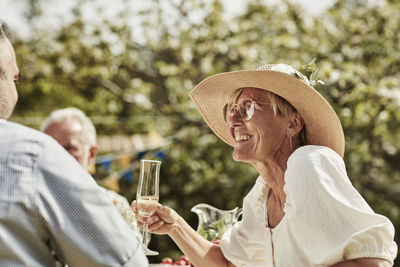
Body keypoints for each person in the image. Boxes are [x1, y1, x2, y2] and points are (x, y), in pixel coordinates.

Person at [133, 63, 398, 266]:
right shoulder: (260, 196)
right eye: (232, 109)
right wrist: (174, 225)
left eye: (248, 107)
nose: (233, 120)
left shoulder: (308, 162)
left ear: (292, 123)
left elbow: (375, 261)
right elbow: (227, 263)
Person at [0, 20, 148, 266]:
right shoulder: (30, 155)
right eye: (14, 79)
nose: (16, 92)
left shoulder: (115, 203)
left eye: (70, 147)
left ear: (92, 153)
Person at [41, 107, 141, 239]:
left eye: (69, 148)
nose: (59, 155)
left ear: (91, 154)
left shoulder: (116, 206)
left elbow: (135, 257)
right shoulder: (30, 204)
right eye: (52, 147)